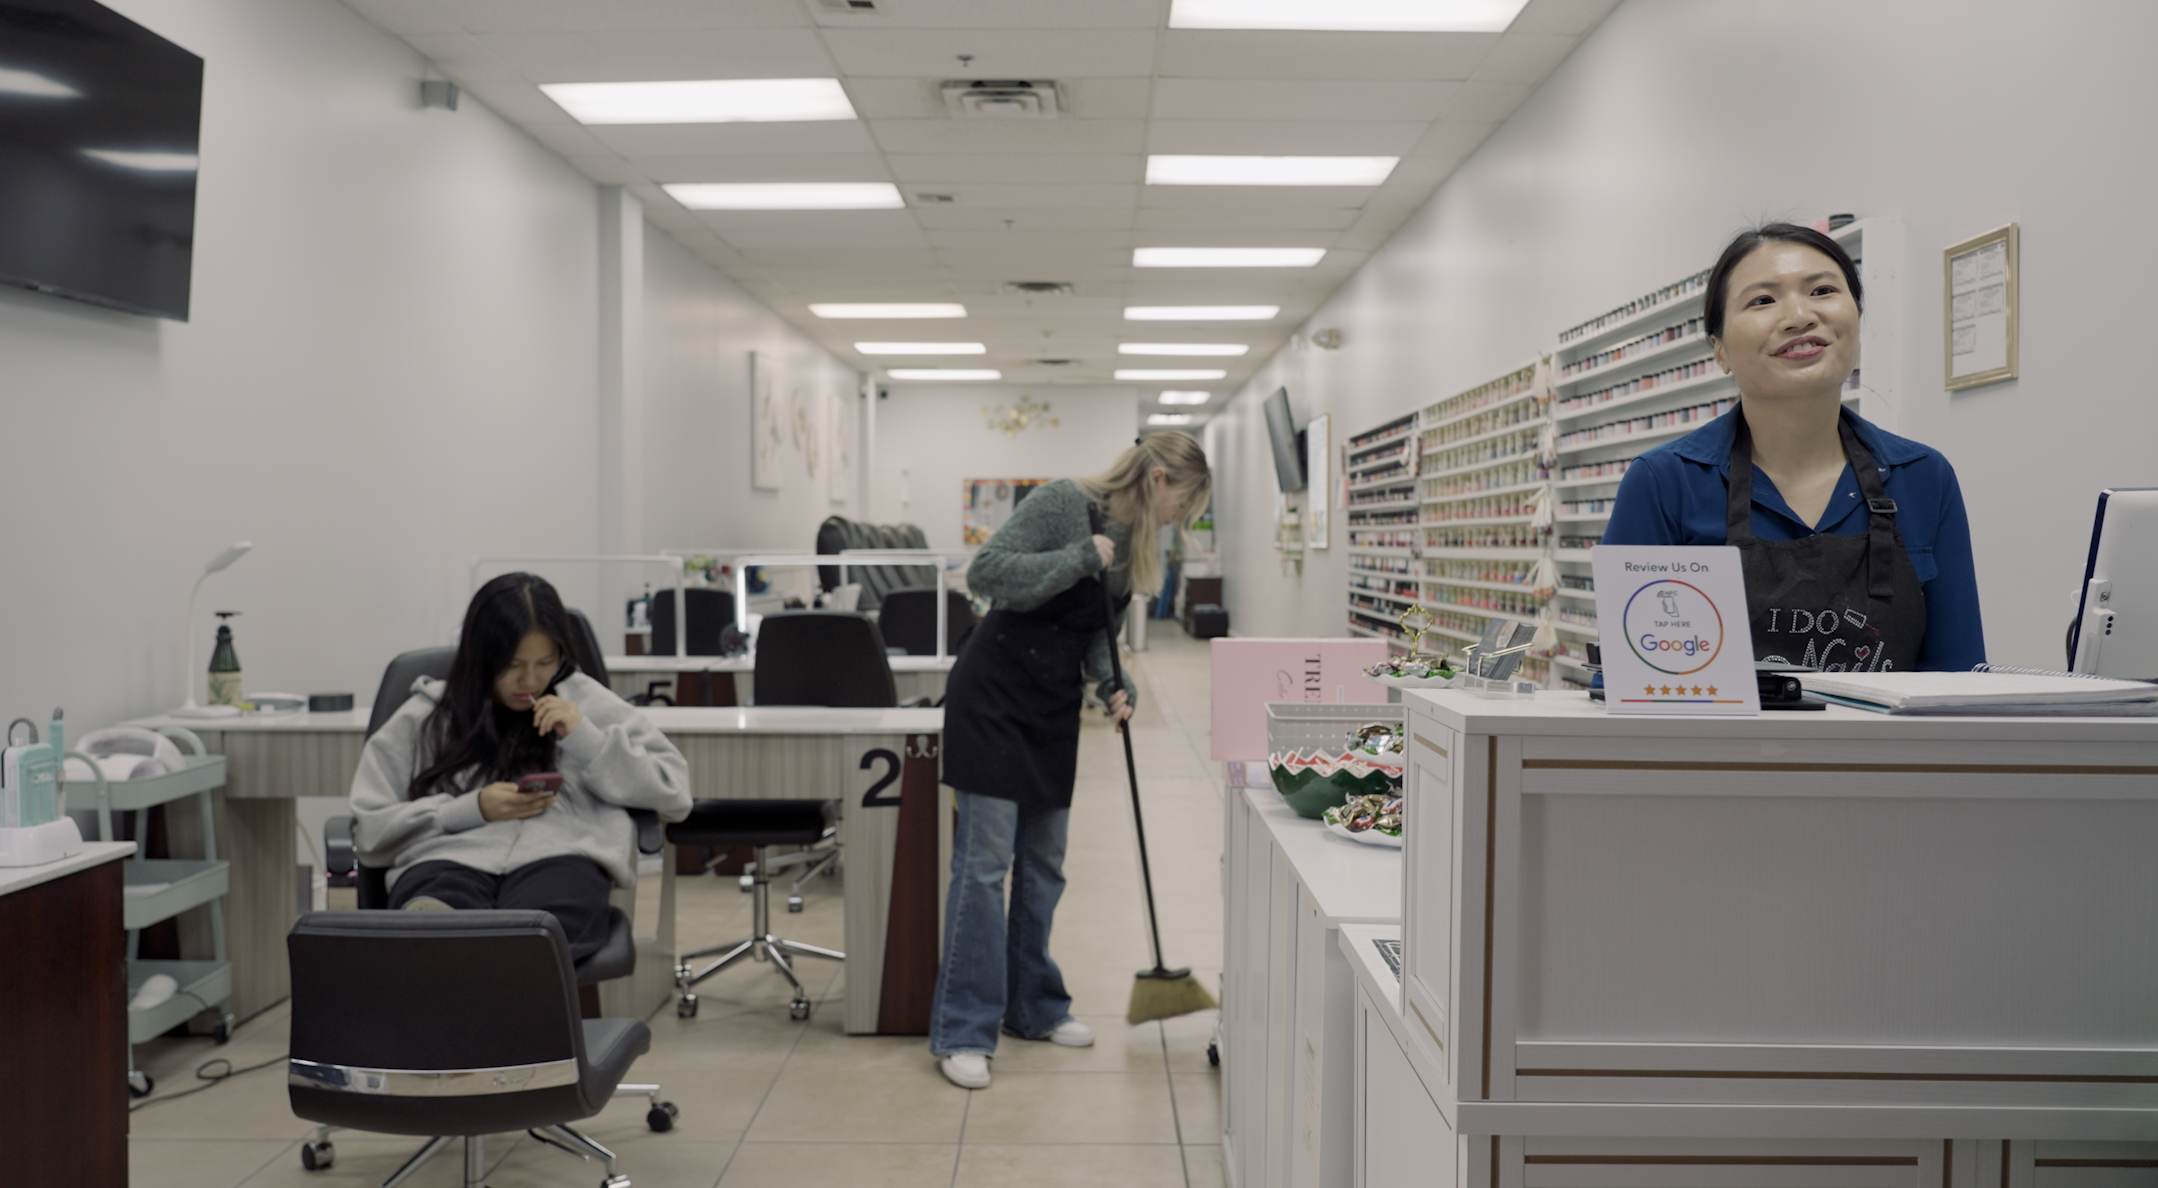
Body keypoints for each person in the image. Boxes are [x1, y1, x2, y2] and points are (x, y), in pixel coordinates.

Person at [930, 431, 1213, 1089]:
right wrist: (1075, 557)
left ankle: (1034, 1008)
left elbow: (1095, 629)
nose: (1182, 519)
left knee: (1044, 864)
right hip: (993, 696)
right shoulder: (1066, 504)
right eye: (1185, 503)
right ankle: (964, 1030)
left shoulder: (1136, 542)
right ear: (1159, 480)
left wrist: (1115, 683)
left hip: (1051, 707)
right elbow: (988, 573)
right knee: (983, 867)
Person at [1604, 223, 1984, 671]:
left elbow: (1957, 684)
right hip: (1719, 744)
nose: (1800, 316)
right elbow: (1632, 684)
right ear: (1719, 350)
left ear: (1857, 321)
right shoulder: (1665, 483)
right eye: (1762, 300)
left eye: (1822, 290)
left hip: (1885, 745)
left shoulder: (1922, 476)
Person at [351, 573, 692, 960]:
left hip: (562, 855)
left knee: (537, 937)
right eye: (512, 665)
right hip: (446, 858)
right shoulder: (427, 716)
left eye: (545, 662)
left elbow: (674, 793)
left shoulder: (587, 703)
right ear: (481, 656)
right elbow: (370, 829)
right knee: (439, 927)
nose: (529, 680)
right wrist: (468, 809)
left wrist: (586, 739)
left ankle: (492, 999)